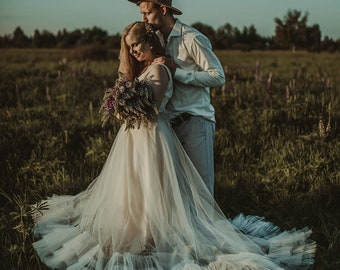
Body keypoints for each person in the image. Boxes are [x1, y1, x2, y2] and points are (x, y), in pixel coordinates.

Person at [32, 22, 315, 269]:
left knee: (151, 184)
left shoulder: (160, 69)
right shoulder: (148, 68)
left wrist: (125, 105)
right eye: (129, 48)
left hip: (152, 136)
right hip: (138, 138)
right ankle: (141, 229)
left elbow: (151, 108)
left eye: (137, 45)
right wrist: (122, 102)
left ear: (150, 41)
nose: (133, 51)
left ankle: (151, 233)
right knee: (136, 185)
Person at [128, 0, 225, 195]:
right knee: (177, 192)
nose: (143, 19)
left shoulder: (192, 38)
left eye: (147, 13)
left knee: (201, 189)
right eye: (142, 14)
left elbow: (218, 76)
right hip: (167, 126)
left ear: (163, 10)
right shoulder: (154, 40)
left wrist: (177, 71)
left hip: (195, 121)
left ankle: (205, 225)